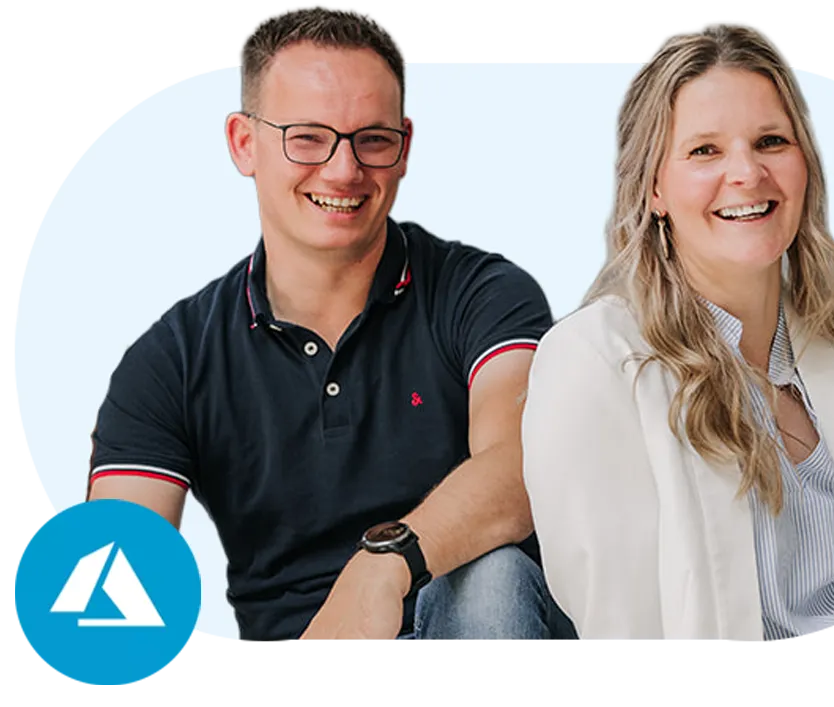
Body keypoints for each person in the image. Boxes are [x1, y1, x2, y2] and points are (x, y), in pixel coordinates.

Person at [86, 7, 576, 645]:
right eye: (308, 137)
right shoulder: (170, 362)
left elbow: (524, 466)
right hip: (300, 660)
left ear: (403, 147)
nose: (344, 170)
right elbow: (111, 585)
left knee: (493, 575)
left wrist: (380, 570)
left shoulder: (480, 294)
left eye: (371, 139)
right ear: (243, 143)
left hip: (479, 635)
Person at [520, 24, 834, 644]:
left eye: (771, 141)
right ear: (654, 187)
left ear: (804, 164)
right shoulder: (594, 362)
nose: (747, 172)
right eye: (705, 151)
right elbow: (624, 631)